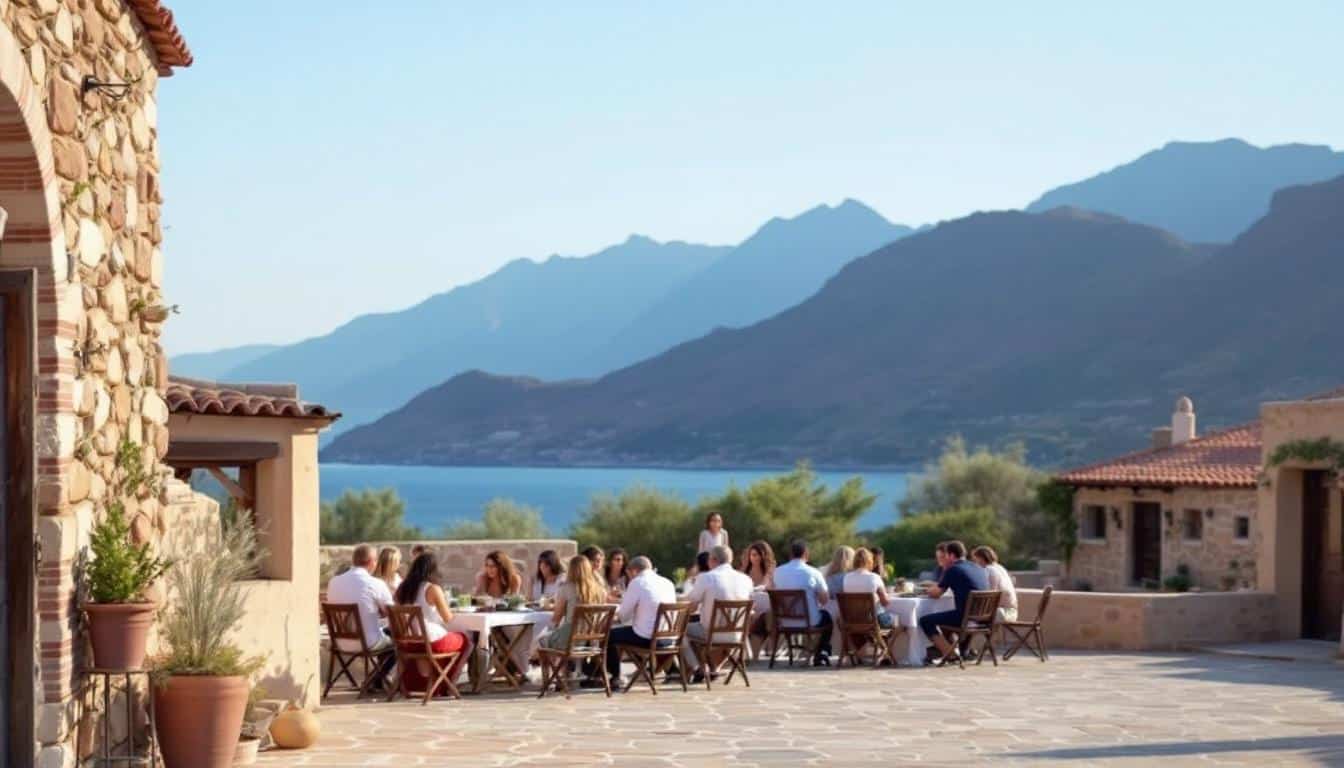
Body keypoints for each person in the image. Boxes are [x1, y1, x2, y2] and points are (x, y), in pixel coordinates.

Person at [393, 553, 470, 692]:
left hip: (408, 643)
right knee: (466, 640)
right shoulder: (432, 589)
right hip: (430, 641)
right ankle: (447, 684)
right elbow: (448, 618)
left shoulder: (401, 589)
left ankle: (435, 683)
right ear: (433, 570)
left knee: (447, 638)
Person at [680, 545, 754, 682]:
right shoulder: (746, 580)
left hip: (711, 633)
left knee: (680, 630)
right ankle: (712, 668)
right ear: (730, 560)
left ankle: (697, 668)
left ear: (712, 560)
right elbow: (751, 608)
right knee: (697, 629)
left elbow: (690, 604)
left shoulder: (706, 578)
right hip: (738, 636)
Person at [605, 556, 677, 684]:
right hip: (669, 638)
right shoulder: (667, 582)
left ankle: (616, 676)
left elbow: (624, 615)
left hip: (648, 639)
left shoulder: (637, 582)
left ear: (633, 571)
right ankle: (672, 670)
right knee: (636, 630)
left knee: (610, 635)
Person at [918, 540, 989, 663]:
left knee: (925, 620)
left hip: (965, 618)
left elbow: (936, 594)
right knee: (945, 617)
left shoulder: (953, 569)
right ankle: (952, 651)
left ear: (951, 555)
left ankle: (950, 654)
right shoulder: (978, 568)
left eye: (945, 555)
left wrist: (925, 591)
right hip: (983, 618)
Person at [771, 539, 833, 666]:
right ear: (806, 554)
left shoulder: (777, 572)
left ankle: (808, 653)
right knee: (827, 618)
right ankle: (818, 653)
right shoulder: (814, 573)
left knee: (818, 614)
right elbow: (824, 600)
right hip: (809, 621)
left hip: (784, 621)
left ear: (790, 555)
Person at [326, 544, 394, 654]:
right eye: (376, 561)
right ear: (372, 561)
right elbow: (392, 613)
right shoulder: (376, 583)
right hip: (368, 643)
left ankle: (378, 671)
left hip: (338, 642)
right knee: (397, 642)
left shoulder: (333, 582)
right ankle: (380, 672)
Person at [541, 554, 607, 651]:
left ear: (570, 569)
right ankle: (564, 666)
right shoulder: (600, 590)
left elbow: (556, 618)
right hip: (592, 641)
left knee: (542, 641)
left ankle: (557, 666)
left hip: (570, 639)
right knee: (550, 640)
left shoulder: (566, 588)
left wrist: (548, 631)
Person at [843, 547, 899, 628]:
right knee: (898, 621)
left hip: (852, 620)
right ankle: (883, 640)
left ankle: (875, 640)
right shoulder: (874, 577)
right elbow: (885, 602)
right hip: (874, 620)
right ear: (869, 561)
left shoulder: (846, 577)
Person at [971, 545, 1018, 622]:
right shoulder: (1000, 567)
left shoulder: (989, 570)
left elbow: (992, 595)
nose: (975, 563)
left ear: (981, 558)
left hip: (1003, 613)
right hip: (1012, 612)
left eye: (975, 560)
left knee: (969, 618)